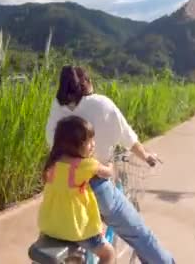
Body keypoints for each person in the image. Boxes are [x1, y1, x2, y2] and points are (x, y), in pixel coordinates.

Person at [45, 65, 175, 264]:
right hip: (96, 185)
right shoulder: (102, 104)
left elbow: (50, 141)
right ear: (87, 82)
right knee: (140, 235)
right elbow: (128, 138)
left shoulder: (57, 105)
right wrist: (146, 156)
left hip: (61, 186)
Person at [38, 115, 116, 264]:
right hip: (75, 229)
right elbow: (108, 173)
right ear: (74, 144)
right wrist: (110, 164)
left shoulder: (52, 164)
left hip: (49, 226)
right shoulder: (86, 165)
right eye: (89, 141)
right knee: (108, 254)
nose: (93, 144)